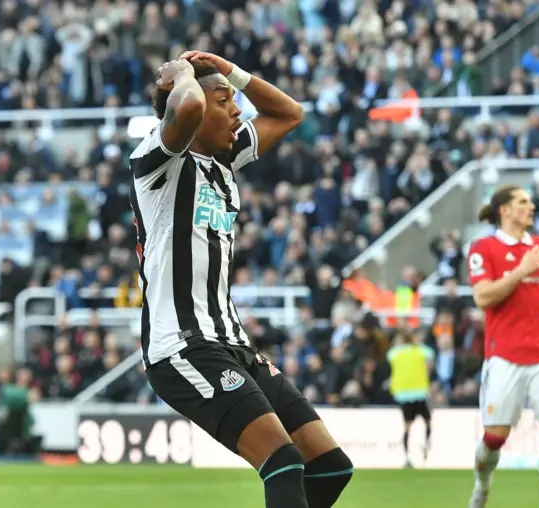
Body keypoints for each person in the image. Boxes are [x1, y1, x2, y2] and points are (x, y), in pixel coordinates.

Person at [129, 51, 353, 508]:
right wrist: (185, 75)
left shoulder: (224, 163)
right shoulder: (157, 160)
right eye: (224, 100)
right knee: (283, 460)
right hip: (183, 346)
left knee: (330, 466)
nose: (237, 109)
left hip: (235, 345)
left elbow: (289, 112)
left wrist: (230, 72)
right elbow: (187, 108)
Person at [466, 185, 539, 508]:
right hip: (505, 357)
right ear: (505, 210)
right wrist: (521, 270)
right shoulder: (483, 248)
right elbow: (483, 297)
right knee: (494, 438)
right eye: (523, 202)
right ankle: (482, 485)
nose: (531, 207)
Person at [386, 331, 434, 467]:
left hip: (403, 394)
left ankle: (406, 456)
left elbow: (389, 356)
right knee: (428, 421)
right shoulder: (420, 351)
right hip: (419, 392)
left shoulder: (394, 353)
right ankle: (426, 445)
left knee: (407, 425)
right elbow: (430, 353)